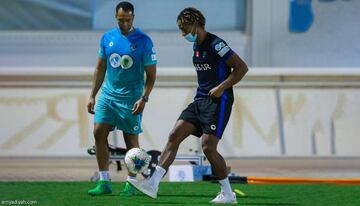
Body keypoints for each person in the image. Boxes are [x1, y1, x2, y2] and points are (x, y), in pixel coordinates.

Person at [128, 7, 248, 204]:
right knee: (175, 135)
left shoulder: (217, 44)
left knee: (208, 147)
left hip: (218, 101)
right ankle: (153, 184)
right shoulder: (196, 46)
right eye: (181, 30)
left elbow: (242, 68)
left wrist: (221, 88)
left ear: (196, 24)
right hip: (199, 100)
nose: (183, 34)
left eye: (184, 29)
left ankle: (228, 194)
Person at [87, 1, 157, 196]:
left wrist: (144, 98)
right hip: (108, 95)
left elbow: (151, 76)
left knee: (130, 141)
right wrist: (92, 94)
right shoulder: (107, 38)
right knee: (99, 132)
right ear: (116, 18)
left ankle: (131, 183)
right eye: (120, 20)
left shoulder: (144, 41)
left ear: (133, 17)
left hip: (131, 98)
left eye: (127, 20)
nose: (124, 24)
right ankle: (104, 182)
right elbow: (100, 68)